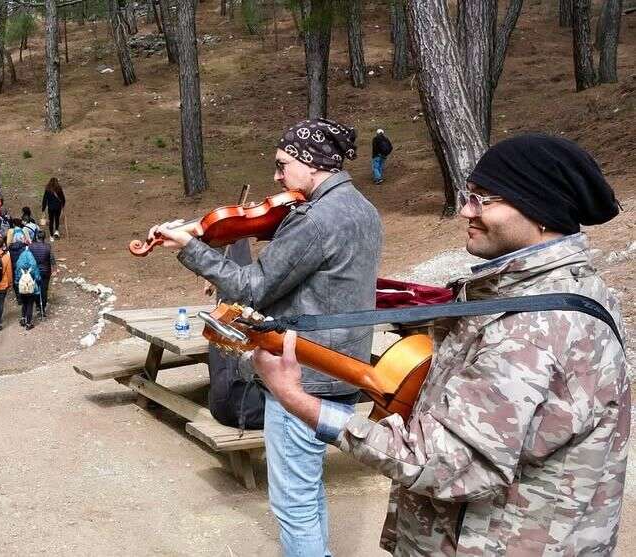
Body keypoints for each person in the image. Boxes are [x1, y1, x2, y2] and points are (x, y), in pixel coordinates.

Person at [252, 134, 627, 555]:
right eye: (470, 195)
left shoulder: (534, 327)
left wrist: (294, 398)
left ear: (541, 208)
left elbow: (443, 461)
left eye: (484, 199)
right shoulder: (569, 291)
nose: (466, 209)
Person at [150, 117, 379, 556]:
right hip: (344, 367)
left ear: (311, 163)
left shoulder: (314, 220)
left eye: (282, 163)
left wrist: (191, 248)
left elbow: (254, 287)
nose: (276, 176)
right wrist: (213, 230)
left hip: (303, 373)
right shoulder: (361, 209)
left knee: (293, 501)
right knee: (307, 490)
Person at [13, 237, 41, 330]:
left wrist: (17, 281)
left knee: (24, 303)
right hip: (30, 285)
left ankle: (23, 318)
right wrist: (38, 279)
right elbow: (35, 270)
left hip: (21, 285)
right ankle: (29, 323)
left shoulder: (20, 259)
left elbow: (17, 272)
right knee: (30, 304)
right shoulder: (31, 259)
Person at [27, 230, 54, 317]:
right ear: (44, 237)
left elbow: (28, 259)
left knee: (35, 289)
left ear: (36, 237)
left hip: (34, 271)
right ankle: (43, 307)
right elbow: (51, 259)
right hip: (46, 271)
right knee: (44, 289)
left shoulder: (31, 247)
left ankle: (38, 305)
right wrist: (55, 269)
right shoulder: (48, 246)